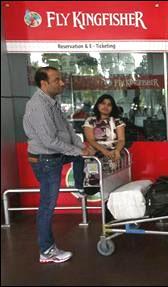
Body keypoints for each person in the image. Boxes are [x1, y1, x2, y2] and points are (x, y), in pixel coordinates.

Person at [23, 66, 94, 264]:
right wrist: (78, 151)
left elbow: (68, 130)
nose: (62, 83)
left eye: (61, 79)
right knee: (47, 205)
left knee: (80, 158)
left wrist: (82, 148)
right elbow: (49, 141)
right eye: (57, 80)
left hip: (56, 155)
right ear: (43, 83)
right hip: (45, 159)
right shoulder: (38, 106)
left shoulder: (53, 102)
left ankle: (80, 187)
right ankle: (46, 251)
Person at [83, 94, 126, 180]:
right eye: (103, 103)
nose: (105, 106)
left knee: (112, 178)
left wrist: (117, 150)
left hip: (113, 152)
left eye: (109, 105)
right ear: (98, 105)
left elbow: (121, 140)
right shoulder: (91, 121)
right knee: (93, 180)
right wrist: (104, 151)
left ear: (112, 108)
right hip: (96, 151)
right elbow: (90, 140)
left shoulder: (117, 121)